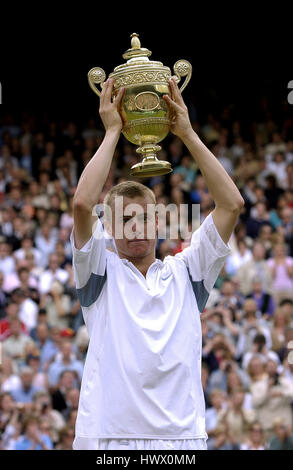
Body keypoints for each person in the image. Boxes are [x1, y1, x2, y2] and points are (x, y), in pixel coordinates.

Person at [70, 77, 244, 450]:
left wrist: (188, 135)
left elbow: (231, 204)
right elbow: (83, 204)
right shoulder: (99, 272)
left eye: (144, 218)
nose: (137, 228)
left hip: (180, 440)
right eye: (125, 220)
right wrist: (113, 131)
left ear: (159, 221)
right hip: (108, 438)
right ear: (110, 228)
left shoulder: (187, 272)